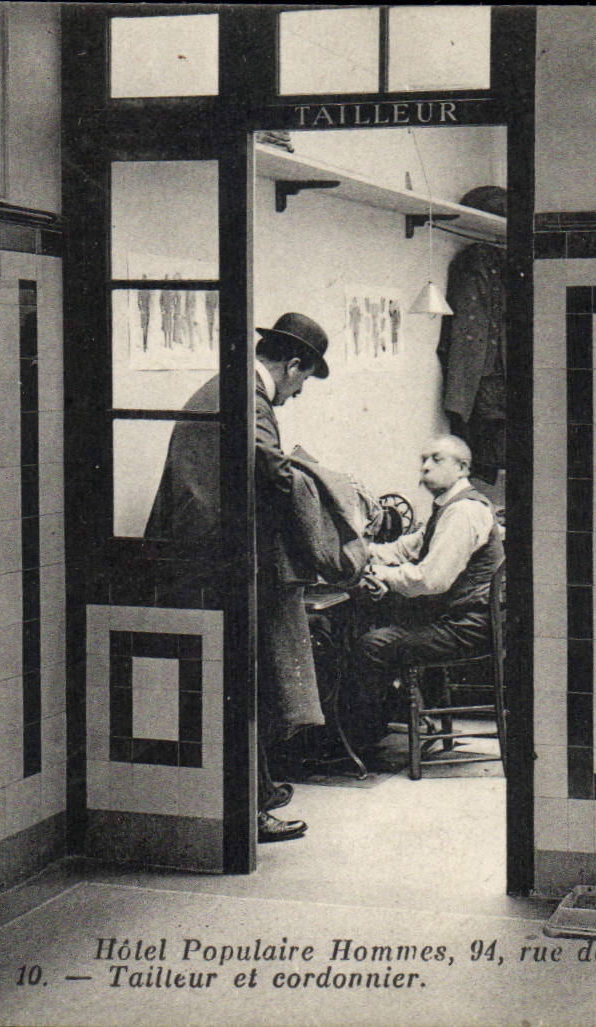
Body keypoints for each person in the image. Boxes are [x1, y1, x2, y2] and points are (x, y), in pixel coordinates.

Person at [145, 311, 331, 843]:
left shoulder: (225, 385)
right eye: (303, 383)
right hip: (215, 567)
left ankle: (260, 788)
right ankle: (248, 810)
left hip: (195, 558)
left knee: (238, 683)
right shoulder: (250, 401)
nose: (297, 395)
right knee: (244, 686)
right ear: (293, 366)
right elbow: (271, 474)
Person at [356, 434, 504, 686]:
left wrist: (378, 573)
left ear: (461, 468)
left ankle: (368, 725)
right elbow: (406, 548)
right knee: (374, 615)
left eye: (436, 460)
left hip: (469, 626)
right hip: (460, 617)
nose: (425, 467)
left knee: (371, 645)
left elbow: (430, 581)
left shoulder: (463, 511)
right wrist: (360, 552)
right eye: (424, 460)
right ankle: (397, 708)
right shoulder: (448, 506)